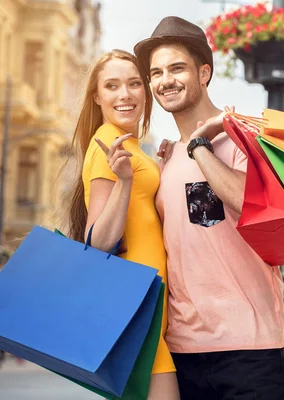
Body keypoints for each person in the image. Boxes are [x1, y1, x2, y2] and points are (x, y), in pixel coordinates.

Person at [134, 17, 284, 399]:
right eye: (156, 72)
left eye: (176, 68)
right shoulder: (165, 160)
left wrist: (201, 147)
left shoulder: (244, 140)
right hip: (183, 352)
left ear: (204, 73)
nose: (164, 80)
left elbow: (251, 204)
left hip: (250, 351)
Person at [64, 49, 179, 400]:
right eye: (112, 86)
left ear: (145, 90)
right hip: (136, 306)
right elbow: (97, 241)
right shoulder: (107, 145)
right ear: (97, 96)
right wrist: (126, 181)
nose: (125, 94)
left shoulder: (132, 146)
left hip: (149, 305)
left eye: (133, 84)